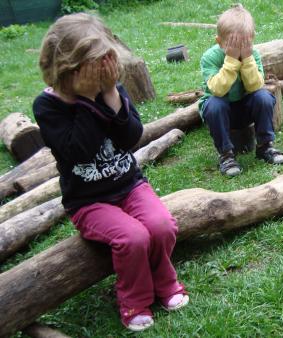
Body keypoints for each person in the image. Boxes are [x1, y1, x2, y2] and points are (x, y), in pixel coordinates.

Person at [33, 13, 189, 332]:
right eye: (95, 62)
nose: (103, 69)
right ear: (70, 68)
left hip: (129, 185)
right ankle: (135, 300)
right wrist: (90, 99)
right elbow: (80, 150)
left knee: (161, 226)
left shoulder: (110, 89)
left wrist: (112, 96)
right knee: (132, 238)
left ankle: (164, 280)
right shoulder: (48, 107)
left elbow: (131, 137)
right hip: (89, 202)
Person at [199, 4, 283, 177]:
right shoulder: (210, 57)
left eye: (243, 44)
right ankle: (226, 155)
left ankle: (265, 146)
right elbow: (217, 89)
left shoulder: (252, 55)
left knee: (264, 97)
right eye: (232, 45)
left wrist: (247, 59)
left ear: (251, 40)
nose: (238, 51)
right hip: (221, 111)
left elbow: (255, 86)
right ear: (219, 42)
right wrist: (231, 61)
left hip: (245, 108)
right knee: (214, 104)